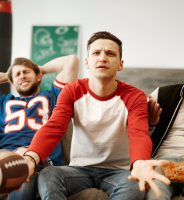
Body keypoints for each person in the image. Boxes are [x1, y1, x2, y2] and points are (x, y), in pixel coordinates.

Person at [23, 31, 170, 200]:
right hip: (79, 169)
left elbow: (139, 133)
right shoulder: (72, 91)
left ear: (120, 64)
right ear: (87, 62)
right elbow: (54, 127)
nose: (102, 58)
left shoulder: (135, 96)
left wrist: (140, 164)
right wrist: (30, 158)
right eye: (96, 53)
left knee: (135, 185)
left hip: (119, 172)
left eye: (110, 53)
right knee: (48, 175)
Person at [0, 55, 79, 200]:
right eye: (18, 74)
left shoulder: (53, 96)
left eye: (26, 72)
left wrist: (39, 69)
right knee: (19, 163)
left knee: (22, 167)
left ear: (38, 77)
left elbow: (71, 61)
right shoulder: (3, 101)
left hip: (42, 156)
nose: (22, 76)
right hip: (5, 154)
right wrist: (8, 76)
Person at [147, 46, 184, 200]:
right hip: (162, 163)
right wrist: (150, 124)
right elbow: (136, 133)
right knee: (155, 195)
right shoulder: (162, 94)